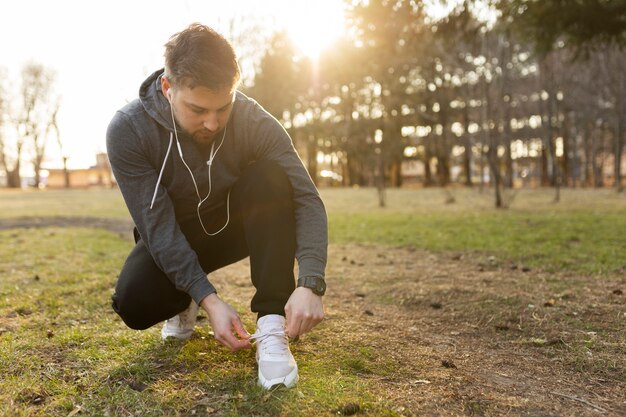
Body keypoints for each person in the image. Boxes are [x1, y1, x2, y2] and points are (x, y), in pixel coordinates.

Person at [106, 23, 328, 390]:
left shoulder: (253, 119)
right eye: (198, 109)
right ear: (168, 88)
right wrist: (208, 299)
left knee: (271, 178)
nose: (212, 122)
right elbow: (156, 227)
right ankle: (184, 300)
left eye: (223, 107)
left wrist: (311, 282)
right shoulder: (128, 130)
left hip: (233, 225)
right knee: (133, 303)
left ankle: (271, 325)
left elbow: (306, 197)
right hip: (174, 232)